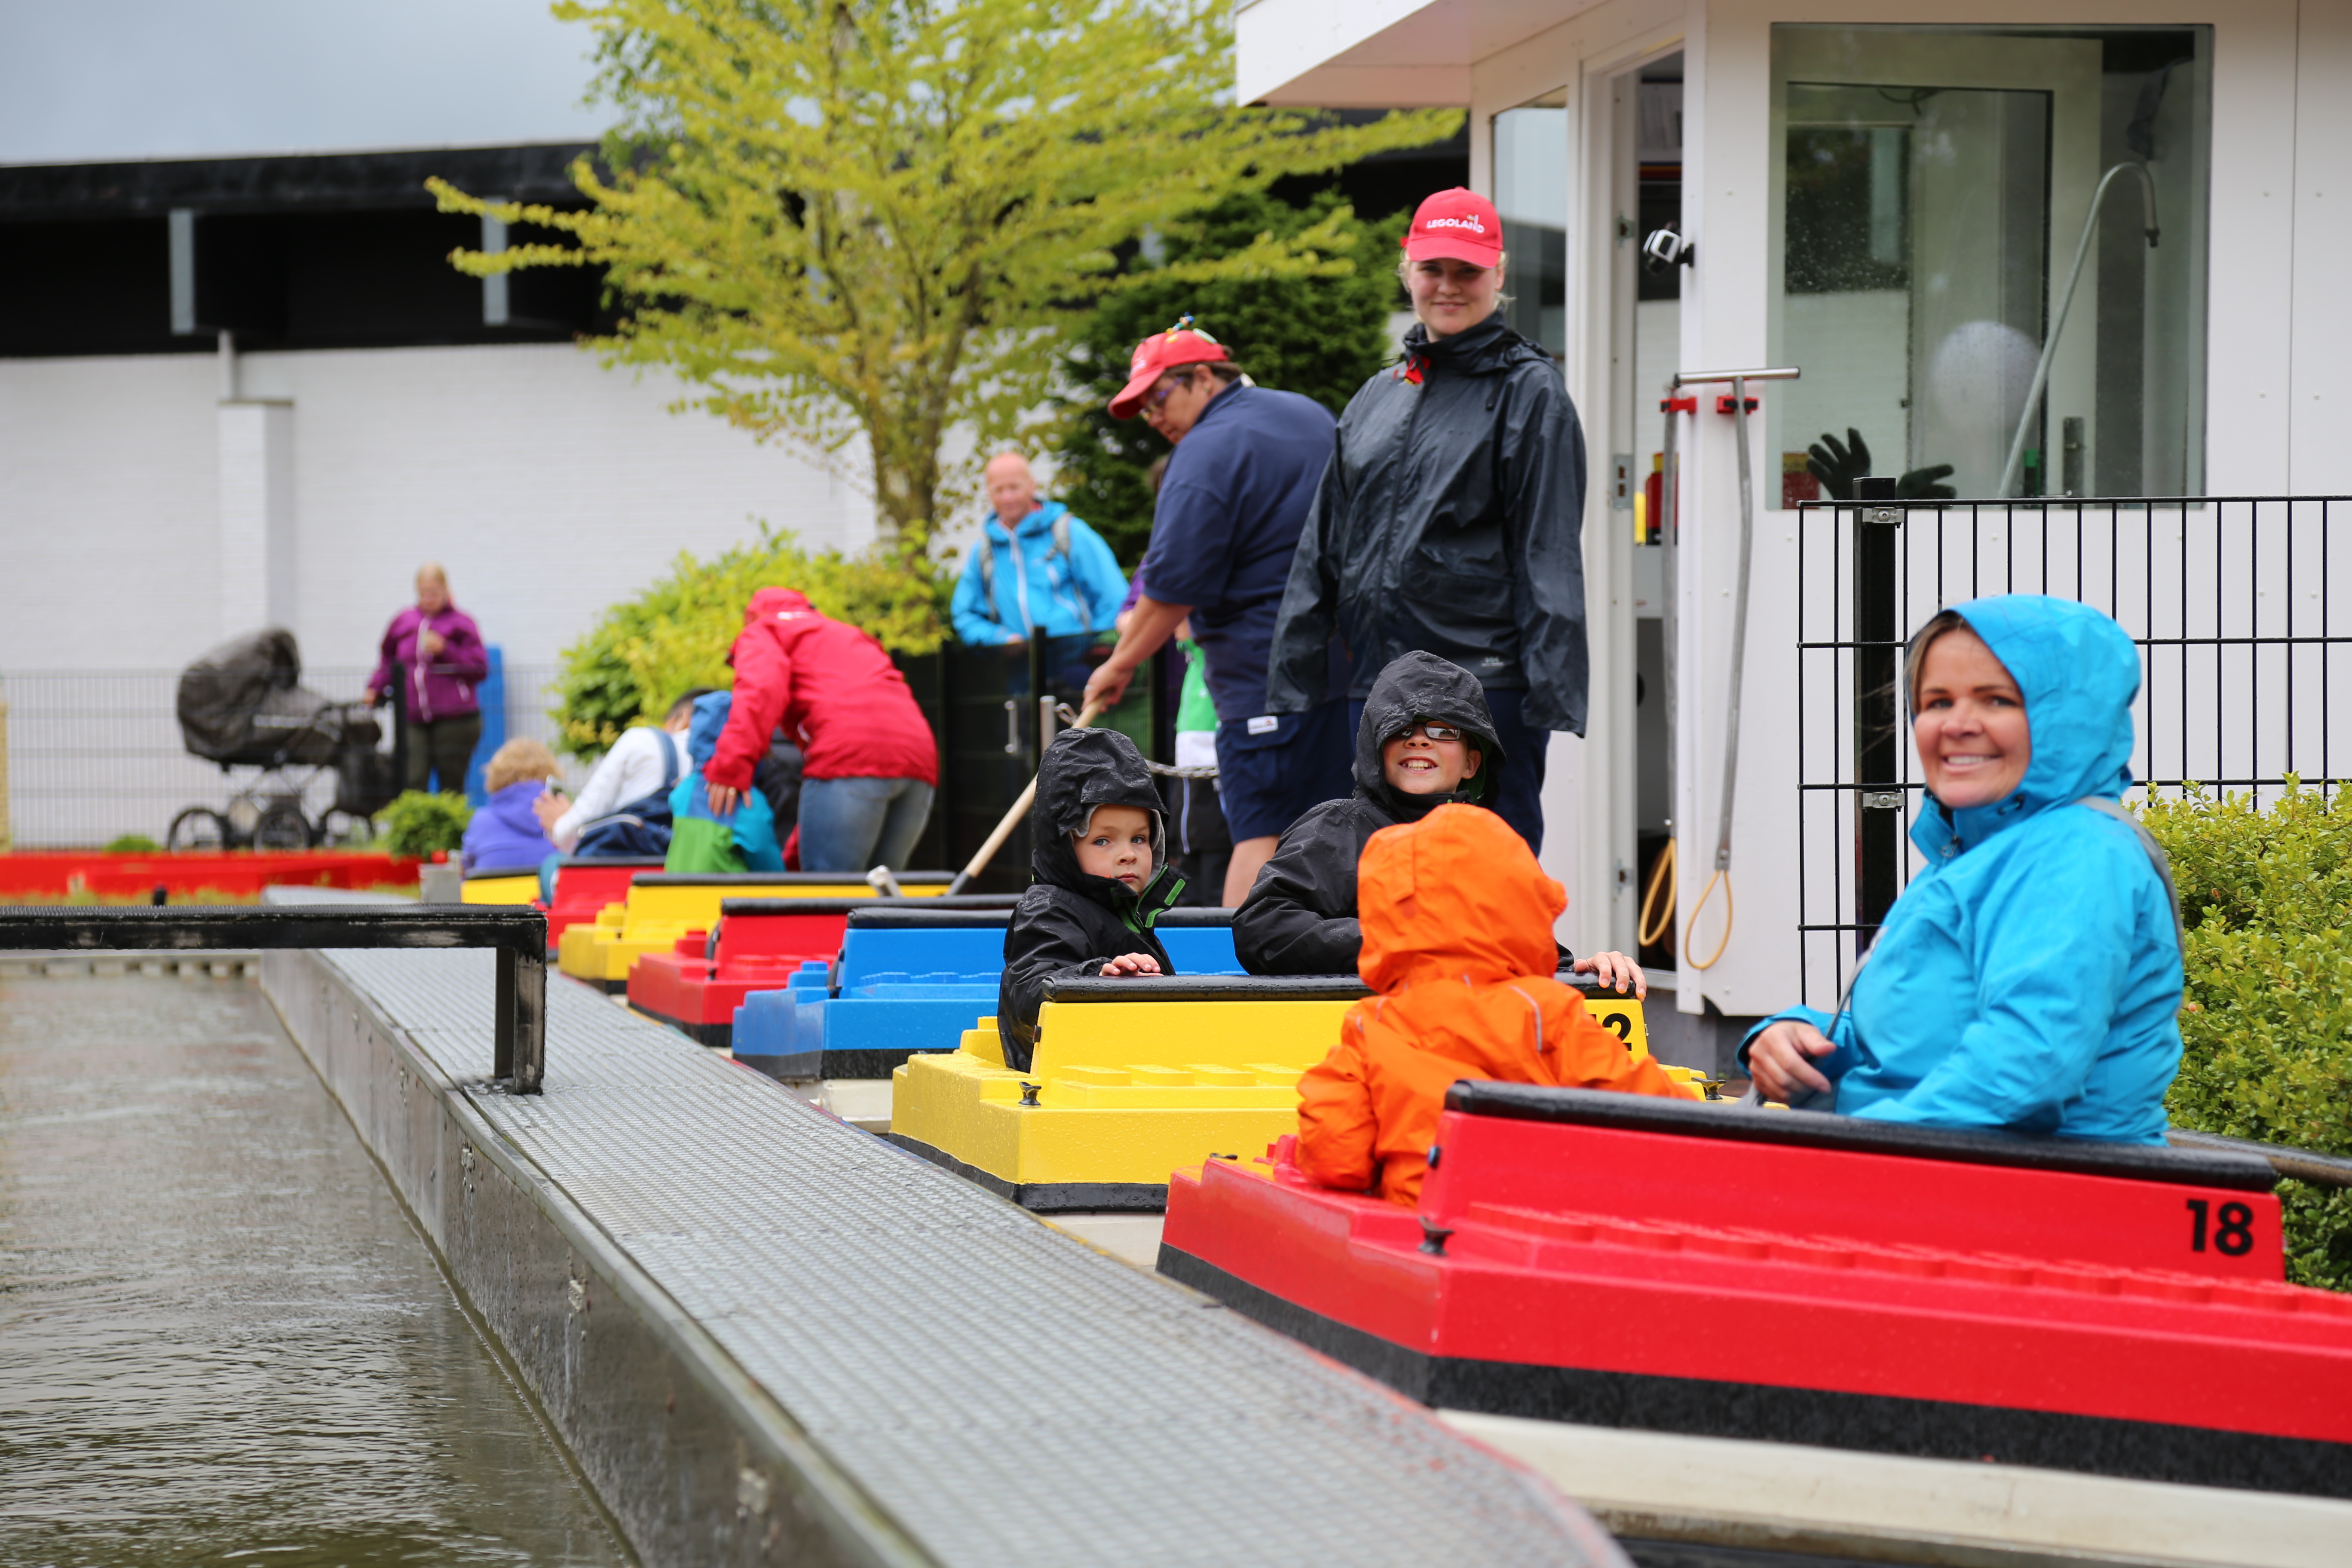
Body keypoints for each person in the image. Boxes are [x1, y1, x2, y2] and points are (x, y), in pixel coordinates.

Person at [1742, 595, 2185, 1145]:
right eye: (1936, 701)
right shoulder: (1978, 852)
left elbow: (2024, 1069)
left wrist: (1844, 1155)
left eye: (1996, 700)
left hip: (2039, 1203)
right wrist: (1799, 1038)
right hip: (1957, 1183)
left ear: (2069, 718)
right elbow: (1924, 1041)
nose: (1957, 725)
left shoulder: (2073, 855)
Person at [1265, 189, 1589, 852]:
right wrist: (1294, 677)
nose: (1448, 286)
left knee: (1486, 871)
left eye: (1467, 271)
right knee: (1383, 871)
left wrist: (1548, 697)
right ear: (1407, 271)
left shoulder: (1530, 392)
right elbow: (1324, 543)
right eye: (1433, 269)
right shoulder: (1380, 393)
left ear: (1498, 275)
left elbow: (1548, 551)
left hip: (1483, 682)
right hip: (1377, 684)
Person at [1295, 804, 1698, 1207]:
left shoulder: (1373, 1024)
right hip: (1539, 1229)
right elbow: (1652, 1111)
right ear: (1523, 903)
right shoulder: (1546, 1012)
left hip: (1425, 1234)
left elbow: (1335, 1157)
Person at [1081, 319, 1351, 906]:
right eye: (1144, 410)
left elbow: (1174, 585)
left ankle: (1234, 985)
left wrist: (1119, 665)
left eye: (1158, 398)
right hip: (1348, 669)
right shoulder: (1310, 415)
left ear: (1203, 378)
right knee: (1339, 834)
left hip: (1263, 678)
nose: (1155, 420)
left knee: (1260, 834)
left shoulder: (1205, 449)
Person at [1236, 651, 1644, 993]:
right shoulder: (1336, 828)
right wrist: (1406, 941)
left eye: (1443, 730)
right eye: (1400, 729)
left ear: (1472, 763)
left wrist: (1590, 973)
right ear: (1373, 749)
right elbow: (1263, 927)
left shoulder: (1496, 848)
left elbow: (1536, 963)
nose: (1419, 740)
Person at [705, 588, 939, 873]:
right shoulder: (849, 633)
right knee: (881, 899)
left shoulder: (764, 629)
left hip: (850, 754)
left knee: (830, 895)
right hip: (920, 756)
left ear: (750, 617)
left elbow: (761, 688)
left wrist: (730, 767)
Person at [996, 728, 1186, 1072]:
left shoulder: (1126, 912)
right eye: (1103, 841)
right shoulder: (1047, 908)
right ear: (1065, 846)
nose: (1128, 854)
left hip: (1119, 1069)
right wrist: (1094, 978)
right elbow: (1027, 992)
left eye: (1140, 839)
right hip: (1063, 1078)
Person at [950, 452, 1130, 646]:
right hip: (1019, 672)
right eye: (998, 490)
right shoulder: (983, 551)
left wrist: (1094, 648)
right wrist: (999, 639)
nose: (1007, 497)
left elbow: (1114, 598)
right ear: (989, 493)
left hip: (1079, 668)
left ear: (1032, 485)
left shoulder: (1069, 532)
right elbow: (965, 615)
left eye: (1014, 487)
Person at [535, 688, 713, 855]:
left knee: (551, 865)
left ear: (683, 718)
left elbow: (582, 822)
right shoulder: (727, 764)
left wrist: (559, 824)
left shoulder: (642, 740)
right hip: (696, 870)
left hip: (631, 872)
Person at [366, 562, 489, 793]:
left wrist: (446, 650)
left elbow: (479, 669)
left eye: (434, 593)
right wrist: (375, 687)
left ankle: (452, 830)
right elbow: (388, 659)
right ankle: (416, 829)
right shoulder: (404, 621)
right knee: (413, 779)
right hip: (413, 716)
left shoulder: (462, 623)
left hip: (455, 718)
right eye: (424, 593)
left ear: (446, 590)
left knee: (451, 784)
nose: (429, 599)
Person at [667, 691, 784, 874]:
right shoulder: (749, 803)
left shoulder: (683, 791)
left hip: (676, 897)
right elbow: (770, 868)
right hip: (724, 899)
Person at [459, 739, 564, 872]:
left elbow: (466, 870)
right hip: (551, 891)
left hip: (493, 892)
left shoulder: (481, 821)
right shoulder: (563, 817)